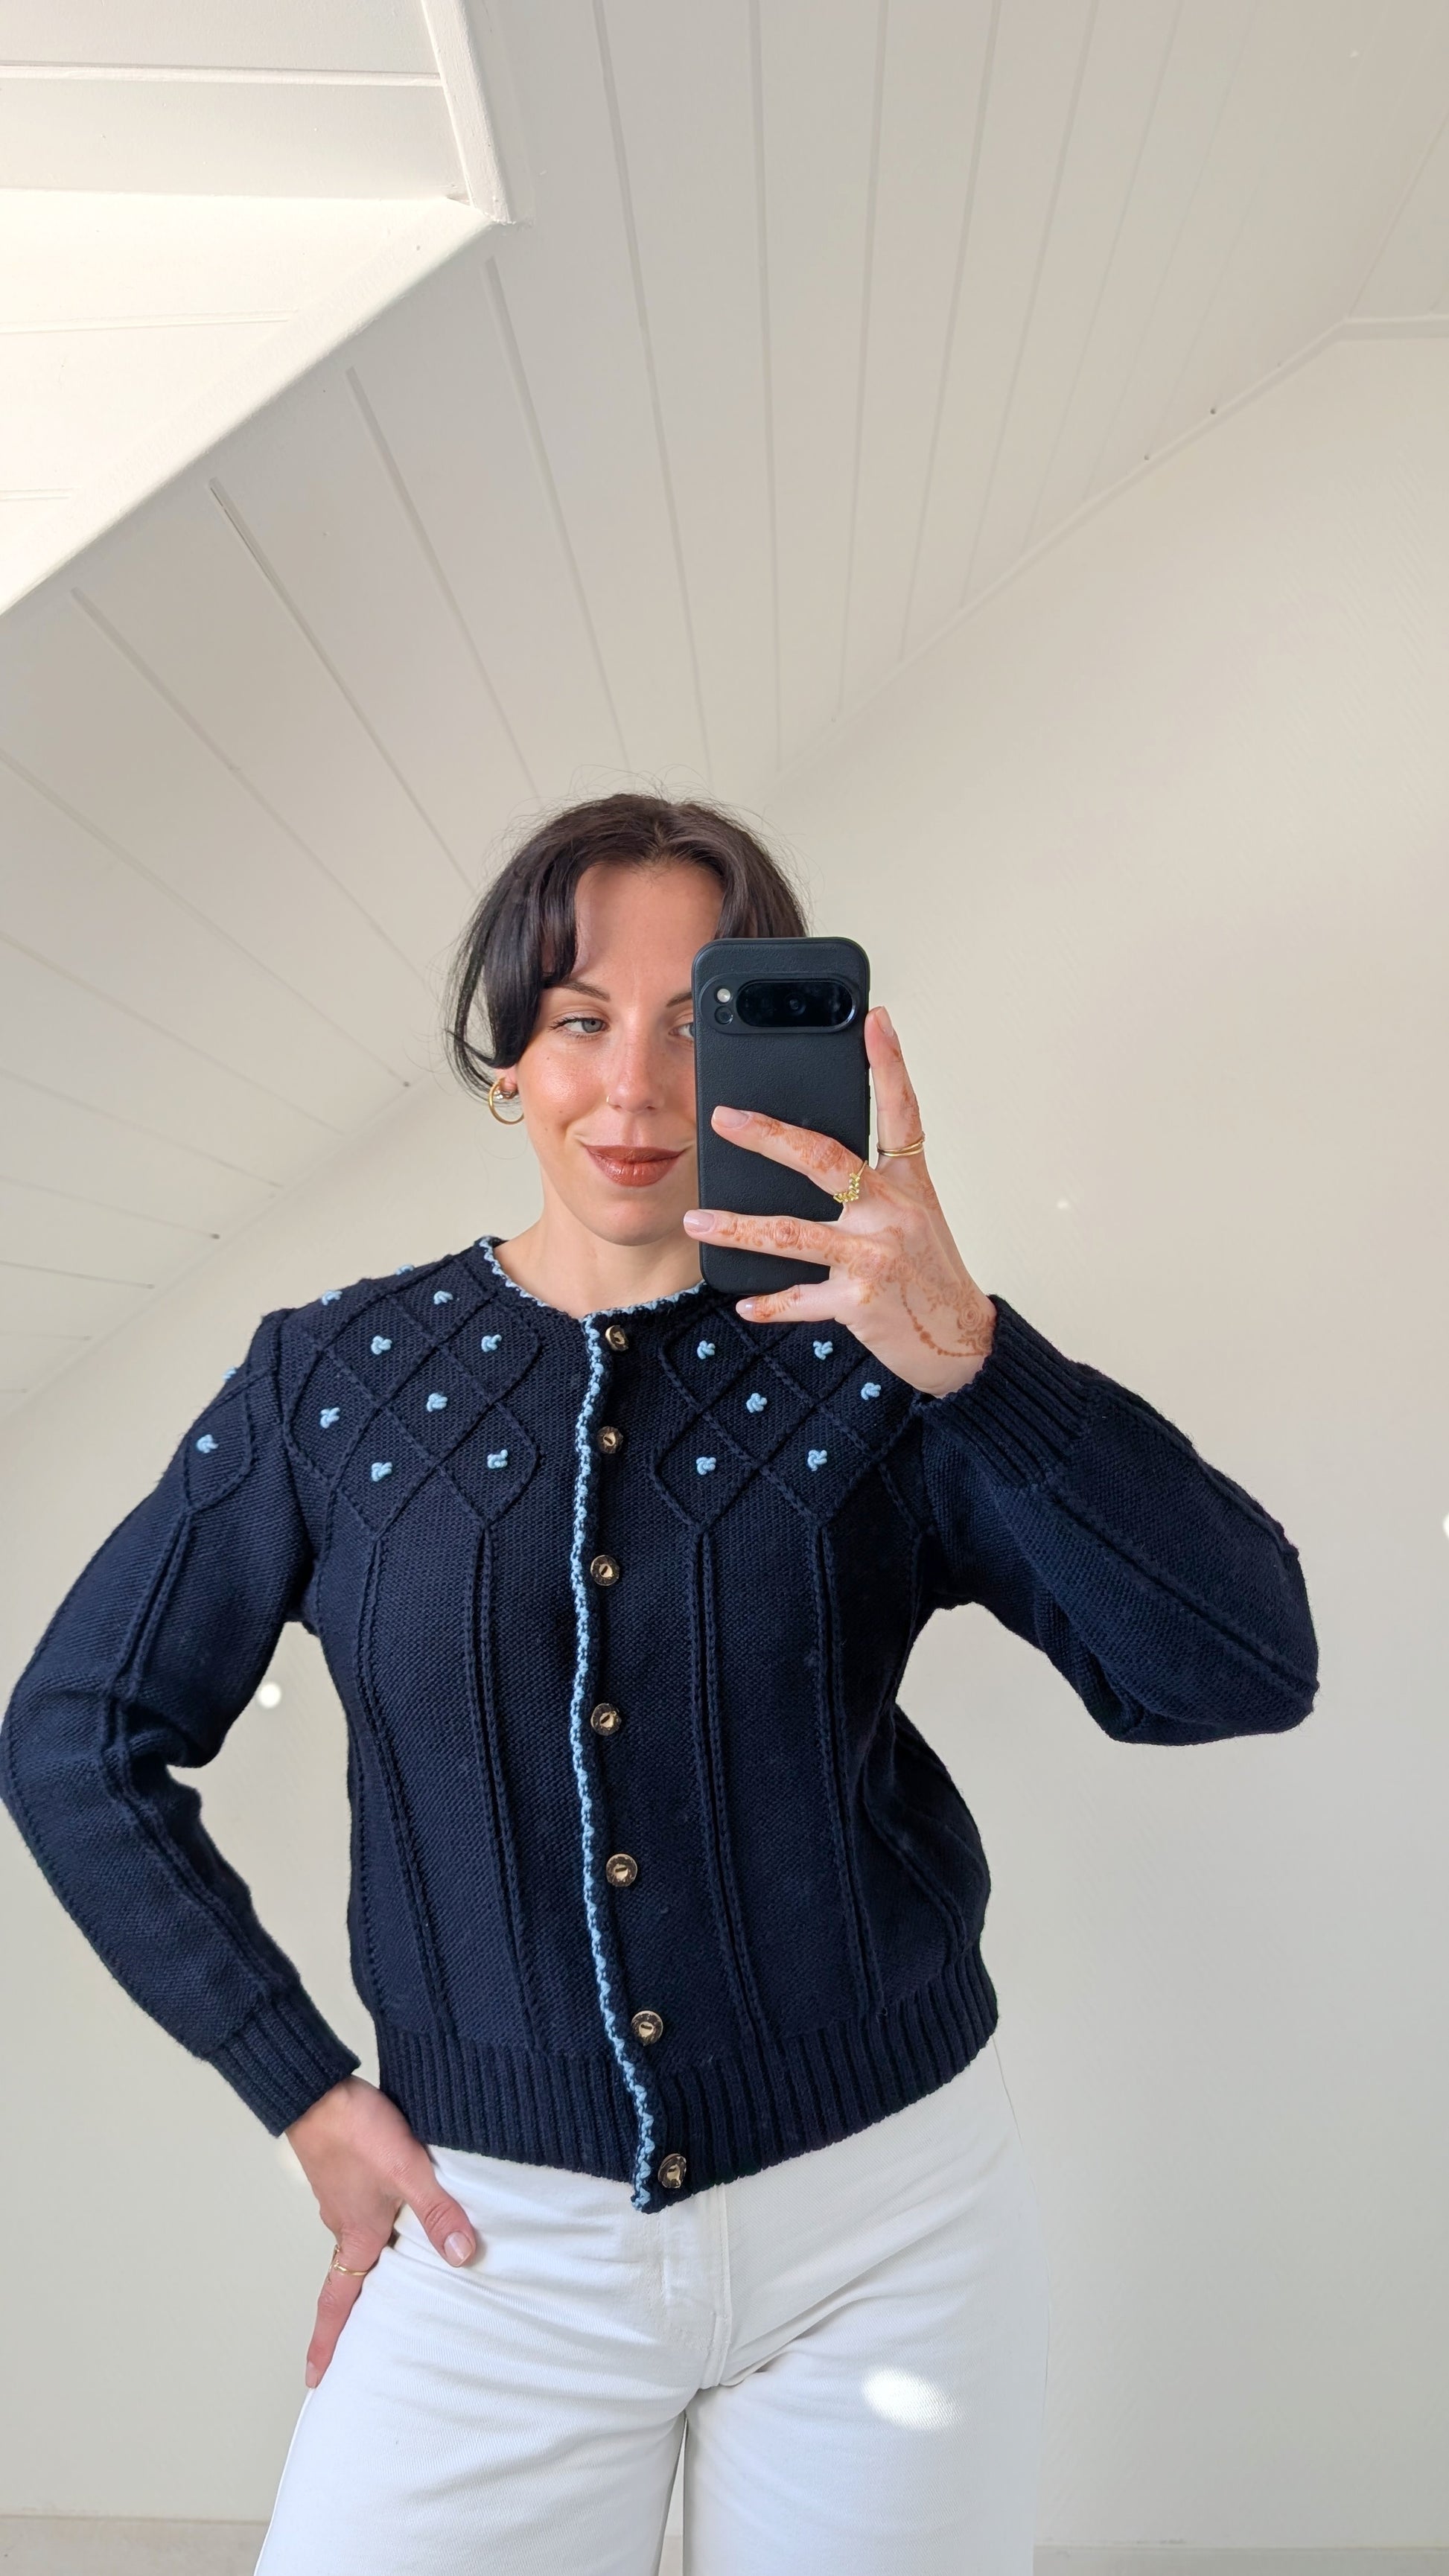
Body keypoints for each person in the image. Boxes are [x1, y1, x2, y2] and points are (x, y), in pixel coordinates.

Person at [0, 793, 1318, 2575]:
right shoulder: (333, 1381)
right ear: (507, 1059)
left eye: (700, 1021)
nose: (635, 1088)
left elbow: (1241, 1664)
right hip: (490, 2240)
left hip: (885, 2229)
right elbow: (77, 1737)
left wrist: (976, 1356)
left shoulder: (877, 1358)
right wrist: (299, 2086)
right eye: (580, 1019)